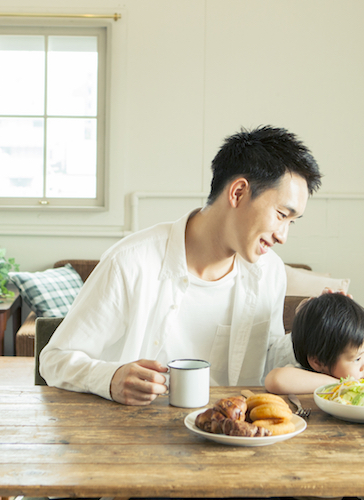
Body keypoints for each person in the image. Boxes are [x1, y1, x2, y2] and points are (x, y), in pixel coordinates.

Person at [39, 125, 322, 405]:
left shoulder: (268, 271)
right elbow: (54, 360)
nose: (283, 236)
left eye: (291, 222)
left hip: (233, 436)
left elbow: (269, 356)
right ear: (237, 193)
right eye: (281, 215)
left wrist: (321, 330)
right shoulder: (130, 262)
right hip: (134, 438)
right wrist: (110, 378)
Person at [264, 292, 364, 394]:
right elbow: (275, 380)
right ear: (318, 362)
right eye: (357, 359)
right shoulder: (304, 376)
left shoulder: (360, 382)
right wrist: (340, 384)